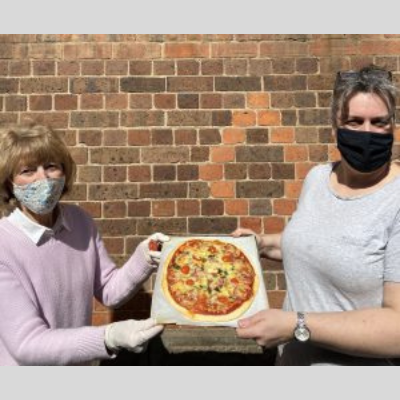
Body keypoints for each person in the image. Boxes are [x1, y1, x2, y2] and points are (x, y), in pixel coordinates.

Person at [234, 65, 400, 365]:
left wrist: (295, 324)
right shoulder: (318, 178)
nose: (367, 132)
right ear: (334, 127)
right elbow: (322, 243)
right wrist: (261, 244)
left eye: (379, 123)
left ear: (393, 126)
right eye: (354, 121)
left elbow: (397, 331)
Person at [0, 123, 169, 366]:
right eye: (28, 171)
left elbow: (110, 291)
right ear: (9, 183)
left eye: (51, 166)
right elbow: (27, 344)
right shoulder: (4, 246)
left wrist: (144, 257)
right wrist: (108, 337)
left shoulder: (79, 221)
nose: (43, 178)